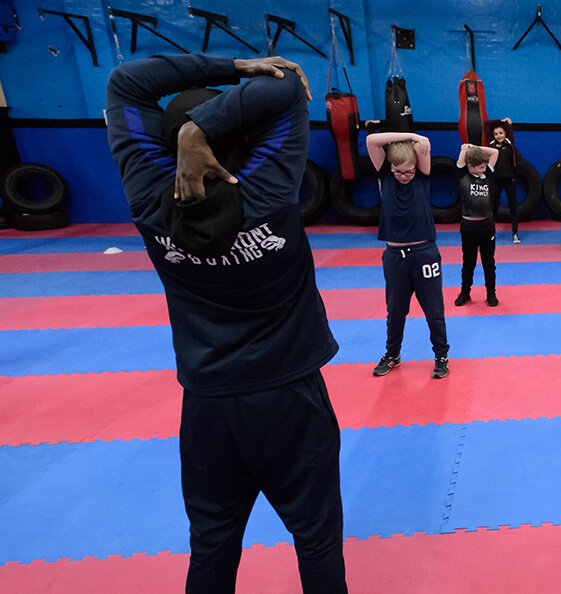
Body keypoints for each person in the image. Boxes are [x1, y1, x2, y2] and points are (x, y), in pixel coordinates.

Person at [106, 54, 347, 592]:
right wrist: (203, 127)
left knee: (212, 545)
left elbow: (125, 82)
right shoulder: (268, 193)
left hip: (207, 405)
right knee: (317, 540)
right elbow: (287, 90)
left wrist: (224, 75)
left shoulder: (149, 200)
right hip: (289, 399)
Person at [366, 131, 450, 380]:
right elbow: (371, 141)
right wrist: (409, 135)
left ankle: (441, 356)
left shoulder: (422, 176)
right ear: (390, 167)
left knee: (433, 311)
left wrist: (418, 141)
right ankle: (392, 354)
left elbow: (425, 146)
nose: (403, 176)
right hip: (394, 254)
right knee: (395, 310)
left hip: (424, 253)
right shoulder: (385, 174)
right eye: (398, 171)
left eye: (408, 172)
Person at [454, 143, 501, 307]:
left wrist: (474, 147)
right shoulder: (462, 175)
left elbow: (494, 152)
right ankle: (465, 292)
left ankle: (491, 294)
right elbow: (461, 160)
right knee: (468, 262)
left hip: (487, 225)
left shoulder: (487, 175)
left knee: (489, 262)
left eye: (484, 166)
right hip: (469, 226)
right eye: (480, 167)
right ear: (470, 166)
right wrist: (465, 149)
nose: (483, 169)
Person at [487, 118, 522, 243]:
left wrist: (506, 123)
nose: (499, 136)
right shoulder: (491, 146)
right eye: (496, 134)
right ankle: (491, 233)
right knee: (493, 207)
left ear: (505, 134)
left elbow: (509, 130)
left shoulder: (509, 144)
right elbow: (486, 125)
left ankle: (515, 233)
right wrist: (499, 121)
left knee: (513, 207)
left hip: (509, 180)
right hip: (495, 180)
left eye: (501, 133)